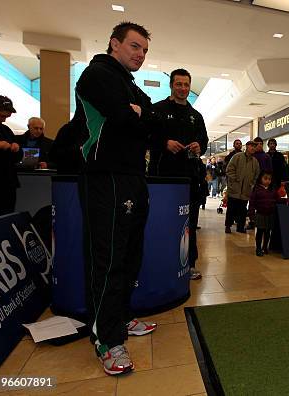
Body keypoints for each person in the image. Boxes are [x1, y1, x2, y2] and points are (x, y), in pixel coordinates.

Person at [75, 22, 157, 375]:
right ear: (114, 43)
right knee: (108, 260)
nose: (140, 54)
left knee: (129, 255)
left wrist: (139, 113)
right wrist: (134, 113)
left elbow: (150, 120)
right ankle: (107, 339)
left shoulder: (130, 85)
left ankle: (121, 319)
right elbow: (126, 119)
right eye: (135, 46)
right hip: (104, 178)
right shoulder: (96, 75)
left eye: (144, 50)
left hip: (133, 178)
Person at [148, 68, 208, 281]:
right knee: (162, 222)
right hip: (162, 180)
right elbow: (146, 137)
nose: (182, 89)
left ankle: (189, 264)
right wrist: (165, 143)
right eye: (178, 84)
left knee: (189, 224)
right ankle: (160, 264)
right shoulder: (157, 110)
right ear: (171, 85)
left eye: (186, 85)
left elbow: (205, 142)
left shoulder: (196, 116)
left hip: (189, 180)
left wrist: (199, 146)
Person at [0, 96, 23, 217]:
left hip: (8, 183)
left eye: (7, 117)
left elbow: (18, 157)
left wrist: (16, 149)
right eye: (2, 116)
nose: (4, 120)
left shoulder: (6, 130)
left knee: (6, 216)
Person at [248, 169, 288, 256]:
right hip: (260, 214)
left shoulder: (272, 189)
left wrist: (286, 200)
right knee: (260, 232)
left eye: (269, 179)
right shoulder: (256, 189)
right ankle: (258, 248)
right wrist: (251, 215)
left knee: (267, 232)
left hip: (270, 214)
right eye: (265, 178)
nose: (267, 181)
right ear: (260, 179)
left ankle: (265, 247)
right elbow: (252, 202)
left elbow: (277, 199)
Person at [225, 140, 260, 233]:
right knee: (231, 209)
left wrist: (252, 184)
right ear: (247, 147)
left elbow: (257, 175)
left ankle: (240, 227)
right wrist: (235, 180)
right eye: (251, 146)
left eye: (254, 146)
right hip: (235, 189)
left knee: (242, 210)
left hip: (246, 190)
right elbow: (229, 170)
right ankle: (228, 226)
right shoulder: (237, 157)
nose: (253, 148)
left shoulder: (255, 161)